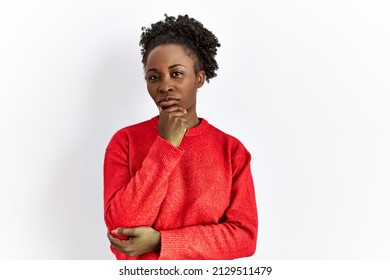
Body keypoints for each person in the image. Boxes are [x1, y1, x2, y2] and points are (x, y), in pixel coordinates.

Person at [104, 14, 258, 260]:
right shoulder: (125, 142)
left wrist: (162, 242)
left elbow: (244, 238)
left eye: (176, 74)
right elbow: (121, 231)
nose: (164, 86)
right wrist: (165, 146)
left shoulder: (231, 150)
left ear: (199, 78)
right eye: (153, 77)